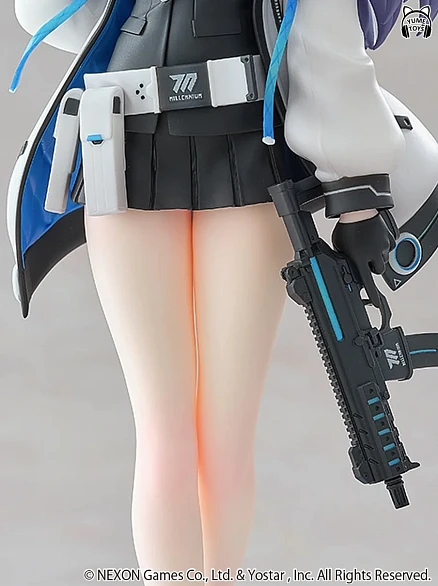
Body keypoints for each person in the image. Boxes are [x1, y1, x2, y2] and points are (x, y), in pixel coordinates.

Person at [9, 0, 438, 582]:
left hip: (239, 148)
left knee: (215, 437)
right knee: (172, 436)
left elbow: (320, 30)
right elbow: (48, 13)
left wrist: (357, 193)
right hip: (131, 142)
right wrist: (356, 192)